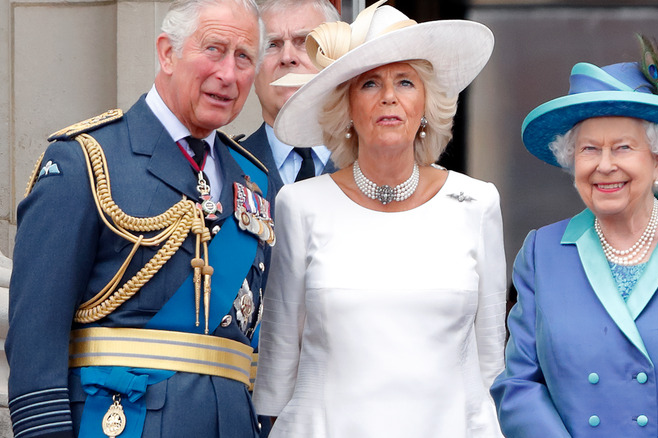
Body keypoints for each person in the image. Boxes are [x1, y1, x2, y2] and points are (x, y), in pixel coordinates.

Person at [5, 0, 274, 436]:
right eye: (214, 50)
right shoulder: (86, 162)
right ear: (167, 53)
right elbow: (36, 340)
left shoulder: (254, 182)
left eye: (244, 57)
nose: (229, 74)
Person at [490, 35, 658, 438]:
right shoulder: (541, 253)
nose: (604, 166)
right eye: (589, 149)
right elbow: (517, 385)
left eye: (622, 148)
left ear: (657, 160)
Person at [252, 2, 506, 437]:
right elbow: (277, 372)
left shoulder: (476, 203)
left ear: (425, 103)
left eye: (405, 81)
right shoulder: (299, 204)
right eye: (370, 83)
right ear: (348, 106)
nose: (389, 96)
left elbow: (489, 367)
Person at [241, 0, 340, 212]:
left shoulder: (371, 162)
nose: (287, 57)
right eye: (272, 44)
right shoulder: (226, 165)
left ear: (336, 60)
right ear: (253, 69)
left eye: (304, 42)